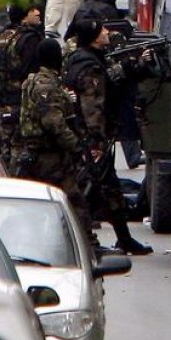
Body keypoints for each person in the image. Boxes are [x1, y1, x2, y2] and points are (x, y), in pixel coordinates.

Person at [63, 19, 152, 256]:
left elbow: (113, 79)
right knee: (85, 192)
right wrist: (96, 141)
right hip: (91, 140)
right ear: (92, 35)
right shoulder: (89, 66)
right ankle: (85, 244)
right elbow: (93, 107)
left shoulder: (90, 59)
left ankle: (124, 239)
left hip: (94, 139)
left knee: (110, 189)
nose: (106, 32)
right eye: (101, 30)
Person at [66, 0, 146, 170]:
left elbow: (69, 37)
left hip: (84, 64)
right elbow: (118, 43)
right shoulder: (107, 13)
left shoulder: (84, 8)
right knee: (124, 106)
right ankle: (130, 153)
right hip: (101, 67)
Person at [18, 38, 94, 242]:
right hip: (49, 157)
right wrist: (77, 147)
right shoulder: (46, 86)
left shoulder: (35, 80)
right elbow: (54, 123)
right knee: (74, 202)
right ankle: (87, 246)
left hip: (39, 154)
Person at [0, 4, 44, 171]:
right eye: (32, 10)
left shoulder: (4, 36)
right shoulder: (30, 39)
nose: (38, 13)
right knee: (21, 145)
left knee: (6, 144)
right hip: (21, 99)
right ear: (24, 15)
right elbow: (32, 71)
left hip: (6, 98)